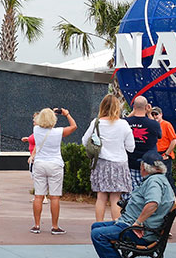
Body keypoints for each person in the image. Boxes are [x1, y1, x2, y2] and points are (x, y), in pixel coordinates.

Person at [90, 151, 175, 258]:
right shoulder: (161, 179)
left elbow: (153, 203)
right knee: (96, 226)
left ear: (144, 167)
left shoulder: (154, 182)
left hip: (139, 231)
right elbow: (174, 204)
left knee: (98, 235)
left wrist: (138, 223)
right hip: (134, 225)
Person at [82, 94, 135, 222]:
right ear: (117, 108)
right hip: (119, 164)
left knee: (101, 197)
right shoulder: (123, 124)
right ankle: (116, 226)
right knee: (115, 198)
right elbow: (131, 147)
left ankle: (98, 225)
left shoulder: (96, 123)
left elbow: (84, 141)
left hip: (101, 163)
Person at [28, 107, 77, 235]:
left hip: (40, 164)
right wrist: (66, 114)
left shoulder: (36, 130)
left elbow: (39, 120)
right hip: (55, 164)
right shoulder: (58, 132)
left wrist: (49, 112)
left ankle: (36, 225)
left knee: (38, 196)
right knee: (54, 197)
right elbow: (74, 126)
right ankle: (55, 226)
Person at [124, 95, 161, 190]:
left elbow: (122, 122)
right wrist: (149, 114)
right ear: (146, 107)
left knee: (131, 193)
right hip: (148, 165)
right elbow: (159, 135)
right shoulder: (154, 124)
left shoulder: (125, 122)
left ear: (134, 107)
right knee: (149, 192)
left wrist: (133, 112)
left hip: (130, 163)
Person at [151, 106, 176, 203]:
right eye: (153, 114)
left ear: (161, 114)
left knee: (167, 179)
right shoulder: (153, 126)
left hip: (164, 155)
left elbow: (174, 140)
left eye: (156, 114)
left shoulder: (166, 125)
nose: (155, 116)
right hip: (156, 155)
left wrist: (167, 154)